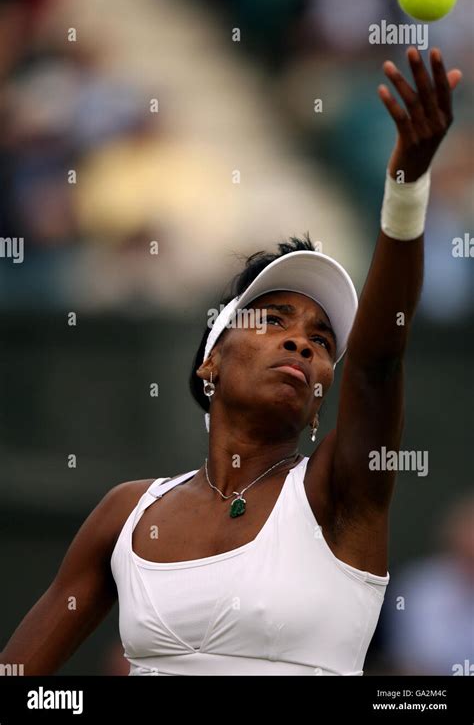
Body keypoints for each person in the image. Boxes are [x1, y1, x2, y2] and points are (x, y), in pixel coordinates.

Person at [0, 47, 463, 675]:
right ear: (209, 363)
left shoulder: (339, 492)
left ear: (326, 392)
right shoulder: (125, 516)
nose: (302, 342)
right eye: (273, 321)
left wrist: (406, 183)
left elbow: (381, 359)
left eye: (323, 341)